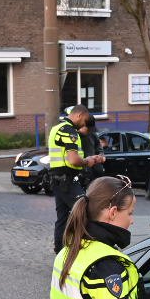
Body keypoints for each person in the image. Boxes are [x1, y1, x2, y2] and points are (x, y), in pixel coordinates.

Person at [47, 104, 104, 251]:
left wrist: (88, 158)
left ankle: (59, 251)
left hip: (58, 179)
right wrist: (87, 161)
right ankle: (86, 250)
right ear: (79, 115)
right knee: (85, 212)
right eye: (84, 120)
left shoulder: (56, 128)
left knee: (63, 218)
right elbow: (73, 160)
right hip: (68, 180)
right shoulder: (69, 131)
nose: (84, 124)